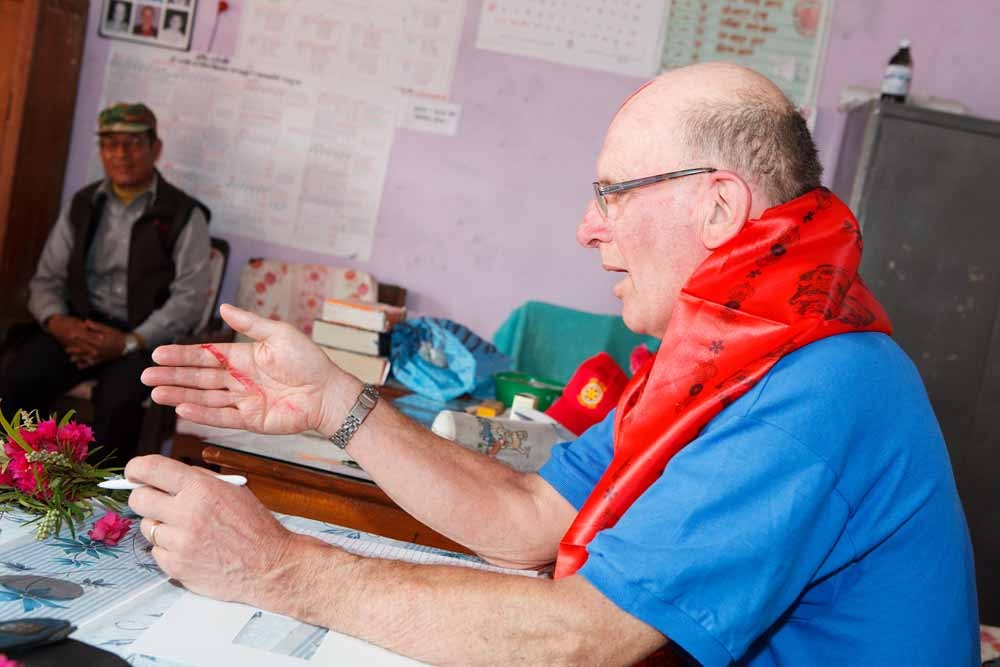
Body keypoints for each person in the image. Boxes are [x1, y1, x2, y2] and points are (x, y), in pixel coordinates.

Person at [132, 63, 979, 666]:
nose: (587, 226)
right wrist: (336, 403)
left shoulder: (818, 385)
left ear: (719, 204)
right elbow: (532, 511)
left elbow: (585, 638)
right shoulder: (718, 355)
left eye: (614, 193)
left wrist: (278, 568)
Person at [0, 103, 211, 465]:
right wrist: (59, 324)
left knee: (119, 405)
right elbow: (46, 280)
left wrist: (129, 341)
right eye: (110, 144)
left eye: (132, 144)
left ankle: (100, 504)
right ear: (101, 150)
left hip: (141, 338)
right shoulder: (83, 204)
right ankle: (15, 480)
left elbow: (189, 300)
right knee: (18, 380)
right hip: (79, 329)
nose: (121, 155)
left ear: (154, 149)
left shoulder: (184, 215)